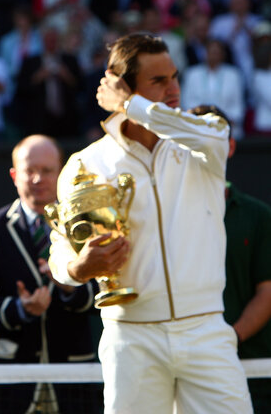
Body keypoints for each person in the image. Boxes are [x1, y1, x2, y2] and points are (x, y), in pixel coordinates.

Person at [48, 33, 252, 413]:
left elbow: (216, 132)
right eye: (158, 81)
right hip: (130, 338)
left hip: (207, 330)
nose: (174, 89)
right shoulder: (85, 162)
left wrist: (129, 103)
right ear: (119, 82)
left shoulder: (204, 135)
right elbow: (61, 251)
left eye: (174, 76)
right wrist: (78, 268)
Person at [0, 135, 98, 414]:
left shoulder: (86, 226)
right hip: (10, 382)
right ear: (13, 175)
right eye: (29, 171)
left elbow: (103, 295)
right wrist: (20, 309)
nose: (37, 179)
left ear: (61, 173)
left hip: (72, 380)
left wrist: (70, 287)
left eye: (46, 170)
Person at [188, 104, 271, 411]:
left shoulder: (259, 216)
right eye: (193, 142)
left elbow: (268, 292)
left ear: (231, 147)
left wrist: (226, 342)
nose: (204, 151)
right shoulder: (163, 220)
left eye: (213, 141)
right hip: (184, 374)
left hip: (253, 374)